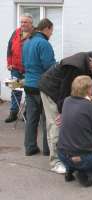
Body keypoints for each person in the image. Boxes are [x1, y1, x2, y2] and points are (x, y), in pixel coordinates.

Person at [39, 50, 92, 174]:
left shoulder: (89, 67)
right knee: (56, 124)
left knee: (60, 123)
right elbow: (64, 90)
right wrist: (63, 112)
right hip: (51, 89)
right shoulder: (75, 66)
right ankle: (55, 162)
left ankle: (57, 153)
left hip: (60, 92)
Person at [22, 18, 55, 156]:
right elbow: (49, 66)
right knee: (47, 118)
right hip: (41, 85)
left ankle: (30, 148)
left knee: (31, 119)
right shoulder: (44, 43)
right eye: (51, 31)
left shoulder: (27, 42)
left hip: (28, 84)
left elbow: (24, 63)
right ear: (46, 28)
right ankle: (47, 150)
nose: (51, 34)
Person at [5, 13, 33, 123]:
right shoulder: (16, 32)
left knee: (29, 90)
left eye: (25, 22)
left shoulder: (35, 35)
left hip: (28, 69)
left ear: (31, 23)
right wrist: (9, 63)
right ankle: (13, 113)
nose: (23, 24)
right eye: (21, 22)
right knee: (15, 90)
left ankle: (27, 112)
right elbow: (9, 48)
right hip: (15, 68)